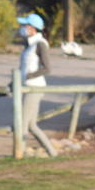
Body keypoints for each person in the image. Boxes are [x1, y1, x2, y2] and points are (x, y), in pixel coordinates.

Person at [16, 13, 57, 158]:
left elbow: (47, 68)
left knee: (21, 124)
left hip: (34, 88)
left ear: (33, 28)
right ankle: (53, 153)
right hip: (27, 87)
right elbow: (23, 69)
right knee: (32, 125)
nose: (23, 28)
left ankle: (19, 154)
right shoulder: (29, 44)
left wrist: (29, 76)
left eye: (25, 25)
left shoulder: (40, 44)